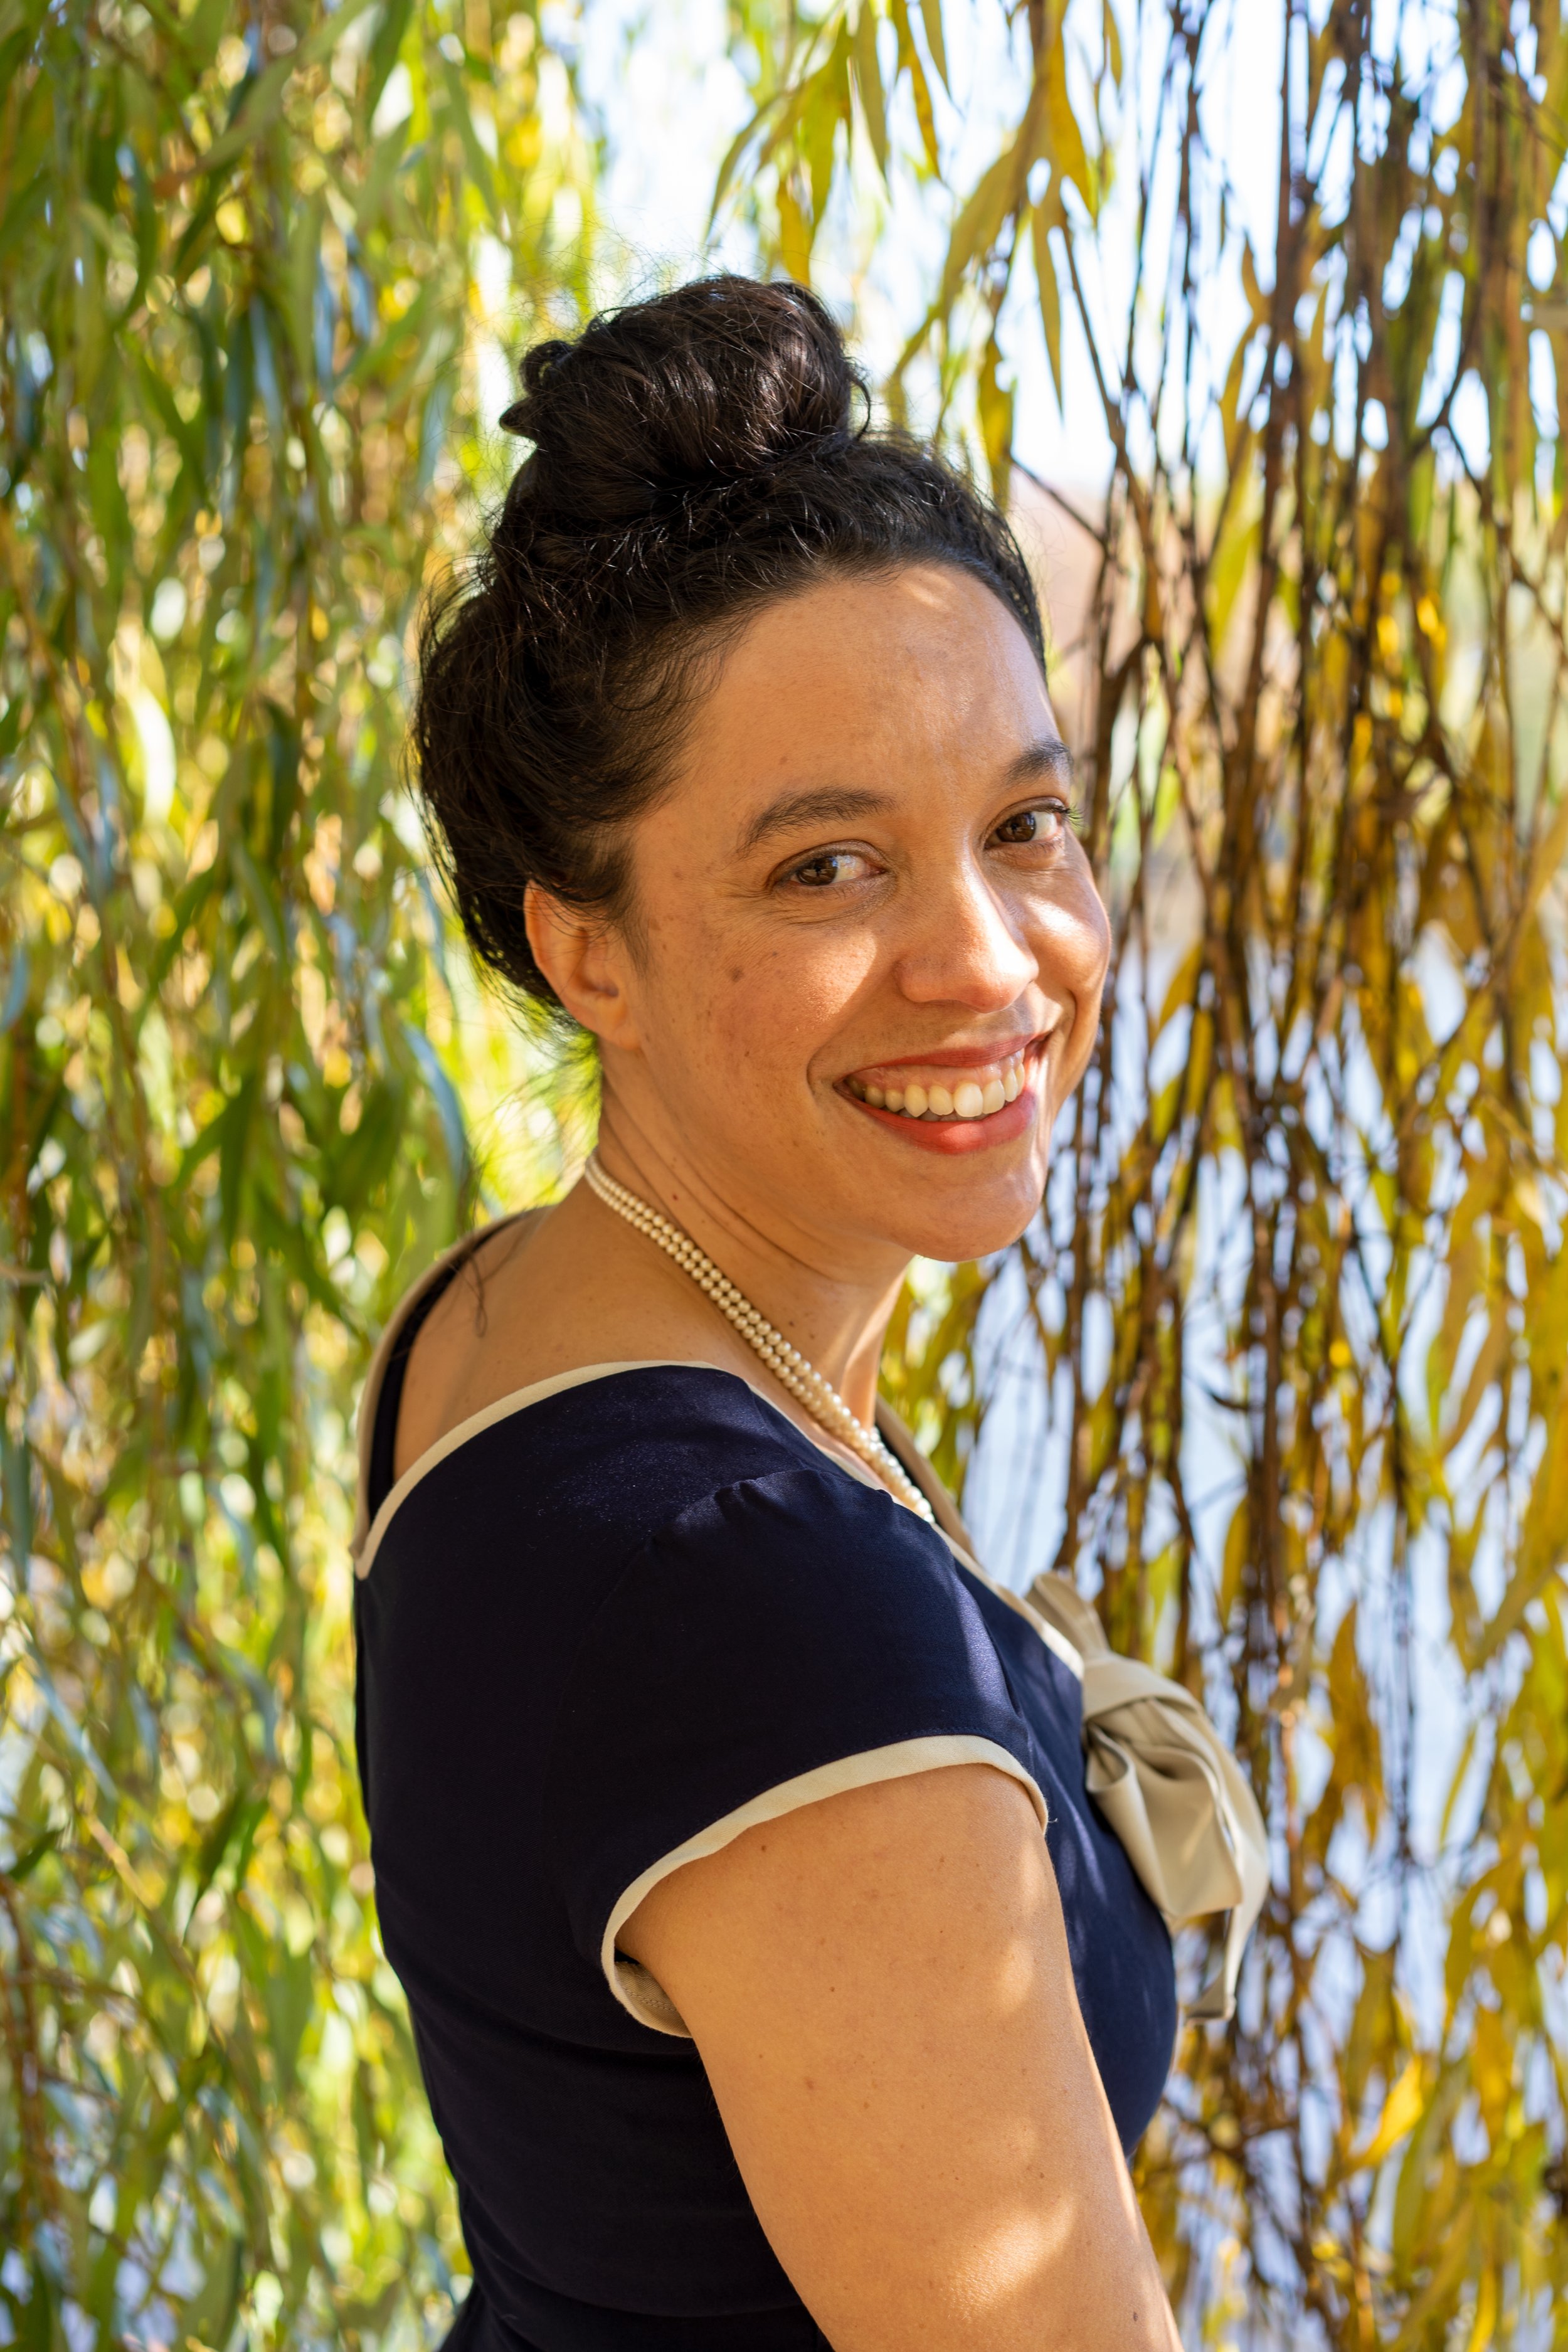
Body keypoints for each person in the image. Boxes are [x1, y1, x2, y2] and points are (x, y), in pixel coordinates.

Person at [352, 276, 1195, 2352]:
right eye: (827, 869)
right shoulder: (766, 1605)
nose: (988, 961)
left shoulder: (507, 1317)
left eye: (1025, 824)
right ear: (587, 951)